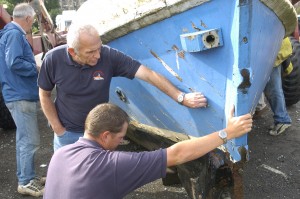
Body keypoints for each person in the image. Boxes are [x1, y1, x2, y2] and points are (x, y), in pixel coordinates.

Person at [38, 23, 207, 151]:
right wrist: (58, 128)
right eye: (91, 52)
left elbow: (148, 74)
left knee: (98, 181)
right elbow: (44, 95)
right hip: (67, 133)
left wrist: (181, 97)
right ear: (73, 52)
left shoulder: (108, 56)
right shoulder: (53, 60)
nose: (98, 55)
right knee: (67, 180)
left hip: (99, 135)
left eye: (99, 48)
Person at [43, 103, 253, 199]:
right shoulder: (111, 164)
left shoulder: (61, 154)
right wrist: (227, 132)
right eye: (120, 137)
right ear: (105, 135)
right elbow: (177, 154)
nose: (122, 141)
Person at [0, 3, 45, 197]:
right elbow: (14, 63)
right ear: (27, 18)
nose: (32, 23)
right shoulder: (14, 34)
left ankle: (28, 176)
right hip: (20, 94)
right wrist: (36, 67)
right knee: (29, 141)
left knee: (24, 140)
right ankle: (26, 181)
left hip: (18, 93)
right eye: (33, 20)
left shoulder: (10, 33)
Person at [256, 37, 292, 136]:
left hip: (270, 53)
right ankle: (281, 119)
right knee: (273, 89)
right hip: (271, 51)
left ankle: (283, 120)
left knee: (273, 90)